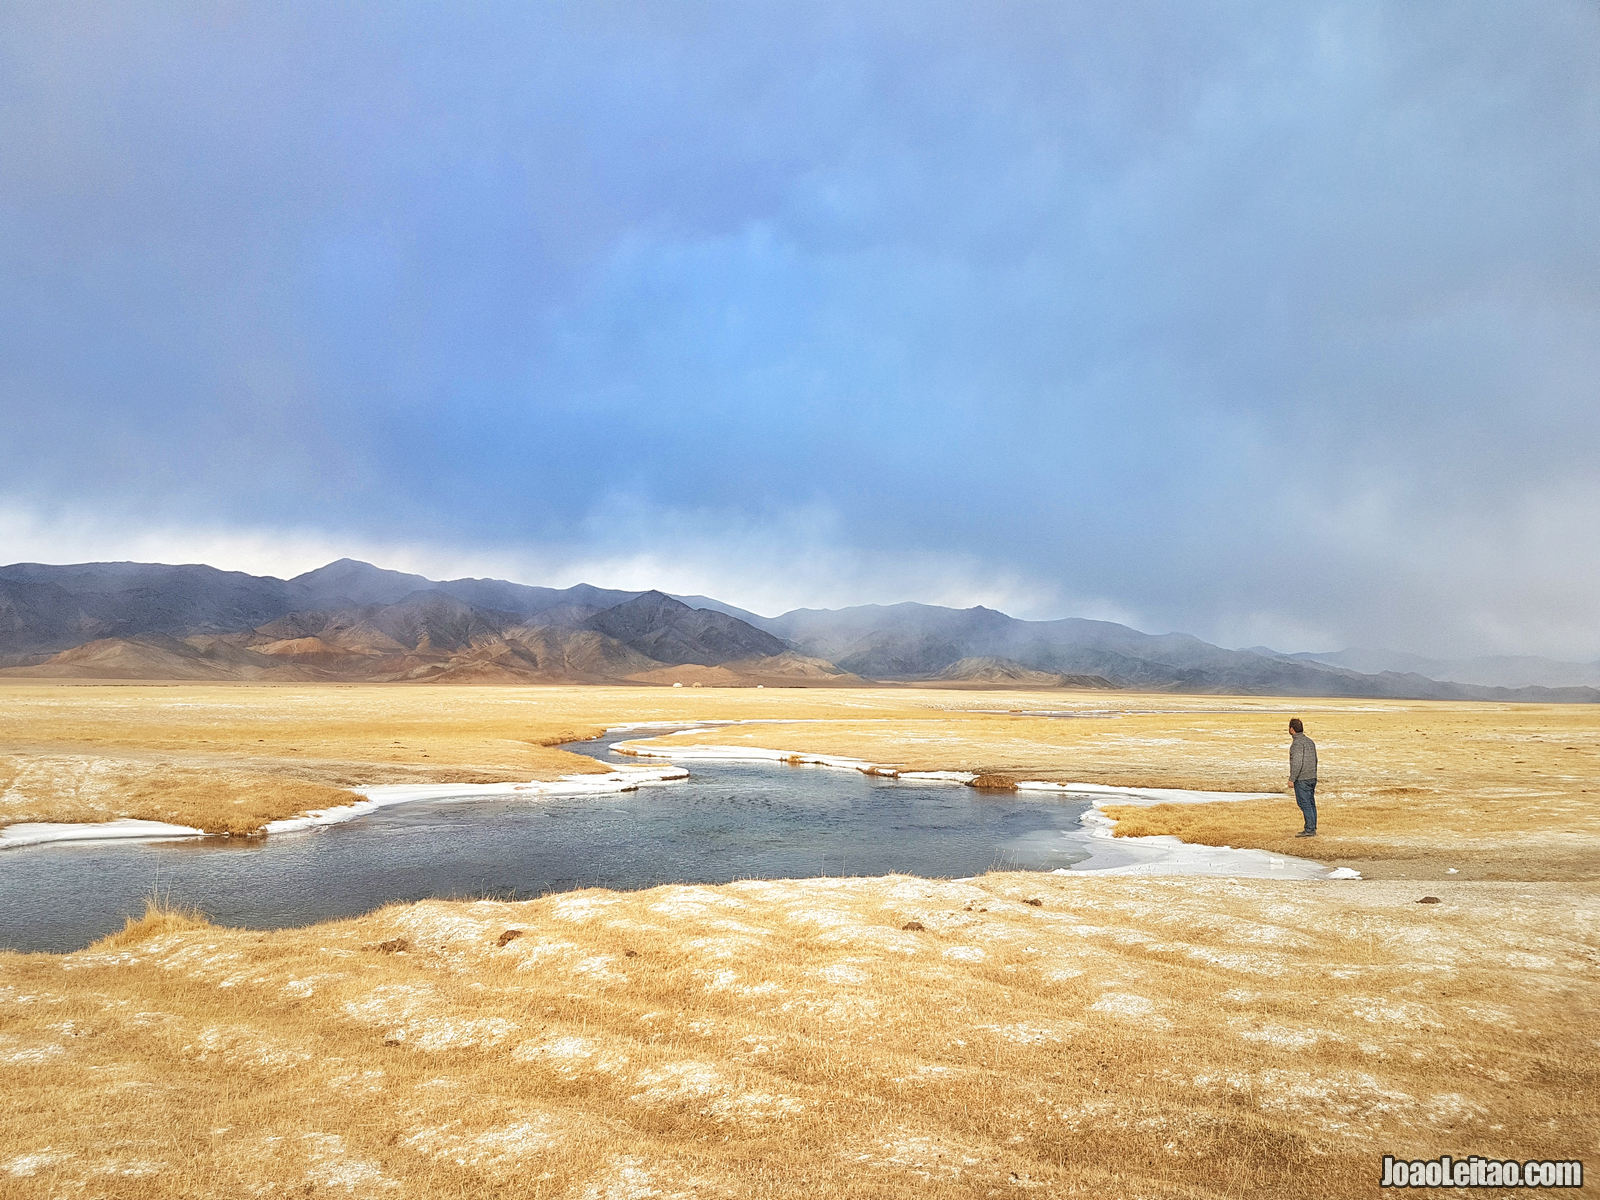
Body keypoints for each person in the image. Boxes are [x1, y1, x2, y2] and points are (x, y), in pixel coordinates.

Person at [1288, 717, 1317, 837]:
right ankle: (1312, 826)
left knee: (1304, 803)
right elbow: (1316, 759)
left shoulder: (1297, 744)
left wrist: (1292, 779)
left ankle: (1310, 829)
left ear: (1291, 729)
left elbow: (1297, 762)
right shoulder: (1310, 741)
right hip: (1312, 777)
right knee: (1310, 802)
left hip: (1302, 778)